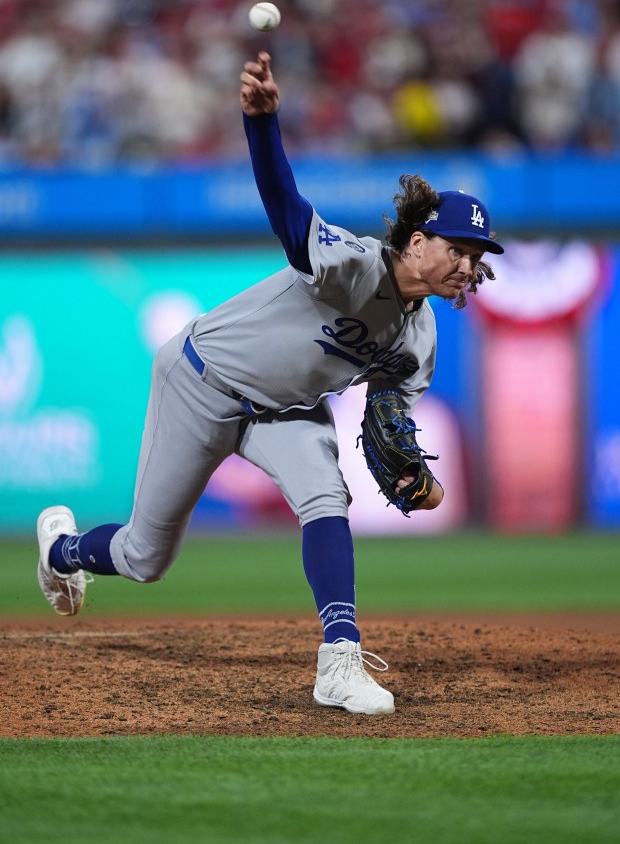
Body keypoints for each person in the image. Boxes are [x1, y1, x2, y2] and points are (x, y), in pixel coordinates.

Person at [36, 52, 503, 716]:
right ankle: (62, 550)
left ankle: (339, 660)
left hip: (284, 411)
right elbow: (285, 207)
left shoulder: (420, 337)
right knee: (145, 557)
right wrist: (262, 124)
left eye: (476, 258)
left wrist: (406, 473)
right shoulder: (352, 264)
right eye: (457, 250)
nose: (467, 267)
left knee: (326, 496)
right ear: (419, 242)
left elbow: (389, 416)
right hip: (200, 382)